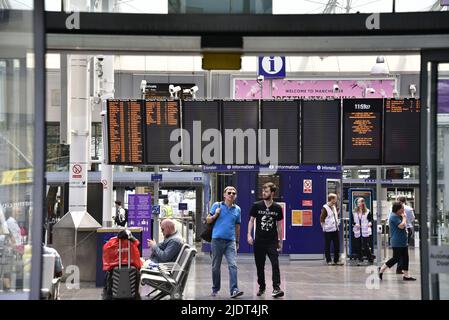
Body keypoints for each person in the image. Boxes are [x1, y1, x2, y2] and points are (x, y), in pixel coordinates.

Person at [247, 182, 284, 298]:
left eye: (266, 191)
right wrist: (249, 235)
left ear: (272, 193)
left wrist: (280, 241)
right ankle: (262, 287)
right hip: (259, 241)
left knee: (275, 264)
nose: (264, 193)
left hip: (272, 241)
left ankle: (276, 288)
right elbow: (251, 220)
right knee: (260, 266)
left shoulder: (277, 208)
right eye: (263, 191)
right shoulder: (256, 205)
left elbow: (279, 225)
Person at [207, 186, 243, 298]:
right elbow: (208, 220)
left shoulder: (237, 209)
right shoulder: (217, 205)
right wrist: (216, 214)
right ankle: (215, 288)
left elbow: (237, 226)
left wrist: (237, 241)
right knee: (215, 266)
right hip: (217, 240)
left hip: (230, 242)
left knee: (233, 265)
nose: (231, 194)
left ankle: (234, 290)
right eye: (229, 192)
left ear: (236, 196)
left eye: (234, 193)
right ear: (224, 194)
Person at [378, 201, 416, 281]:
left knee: (405, 258)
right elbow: (401, 226)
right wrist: (405, 217)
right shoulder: (394, 217)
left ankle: (406, 275)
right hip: (397, 241)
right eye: (402, 208)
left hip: (402, 241)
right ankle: (381, 269)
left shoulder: (399, 215)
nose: (403, 210)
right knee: (396, 258)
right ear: (397, 209)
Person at [320, 193, 344, 265]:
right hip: (328, 230)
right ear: (332, 199)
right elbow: (322, 219)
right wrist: (324, 228)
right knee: (328, 245)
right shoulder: (325, 208)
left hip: (335, 229)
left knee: (337, 245)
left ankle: (336, 260)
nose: (336, 200)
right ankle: (329, 260)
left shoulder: (334, 207)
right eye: (335, 199)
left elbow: (334, 216)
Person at [352, 197, 374, 264]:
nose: (358, 203)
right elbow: (352, 221)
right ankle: (360, 258)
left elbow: (371, 219)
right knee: (358, 245)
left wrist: (370, 223)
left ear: (363, 203)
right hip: (357, 229)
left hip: (365, 230)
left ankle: (370, 258)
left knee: (365, 245)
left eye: (359, 202)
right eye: (357, 202)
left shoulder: (367, 211)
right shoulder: (354, 211)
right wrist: (355, 224)